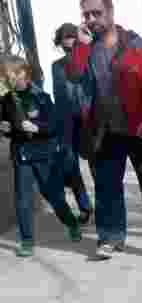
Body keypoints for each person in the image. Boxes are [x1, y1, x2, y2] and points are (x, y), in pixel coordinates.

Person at [67, 0, 142, 260]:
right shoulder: (87, 47)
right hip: (104, 129)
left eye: (96, 13)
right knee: (106, 185)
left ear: (110, 12)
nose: (91, 19)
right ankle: (110, 236)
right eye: (86, 15)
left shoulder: (135, 44)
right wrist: (81, 46)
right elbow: (73, 75)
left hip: (137, 127)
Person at [0, 56, 83, 257]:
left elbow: (54, 126)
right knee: (22, 199)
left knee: (53, 195)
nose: (8, 78)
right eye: (5, 75)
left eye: (10, 73)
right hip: (22, 155)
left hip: (43, 154)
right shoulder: (6, 100)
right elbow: (7, 125)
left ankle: (71, 223)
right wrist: (5, 128)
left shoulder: (41, 97)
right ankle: (26, 241)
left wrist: (37, 128)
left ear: (22, 73)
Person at [52, 23, 92, 225]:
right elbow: (60, 96)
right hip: (67, 122)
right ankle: (85, 207)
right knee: (71, 166)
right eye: (64, 37)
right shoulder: (57, 65)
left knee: (97, 165)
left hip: (88, 120)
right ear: (60, 41)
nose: (68, 40)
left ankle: (104, 207)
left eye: (71, 36)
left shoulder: (88, 58)